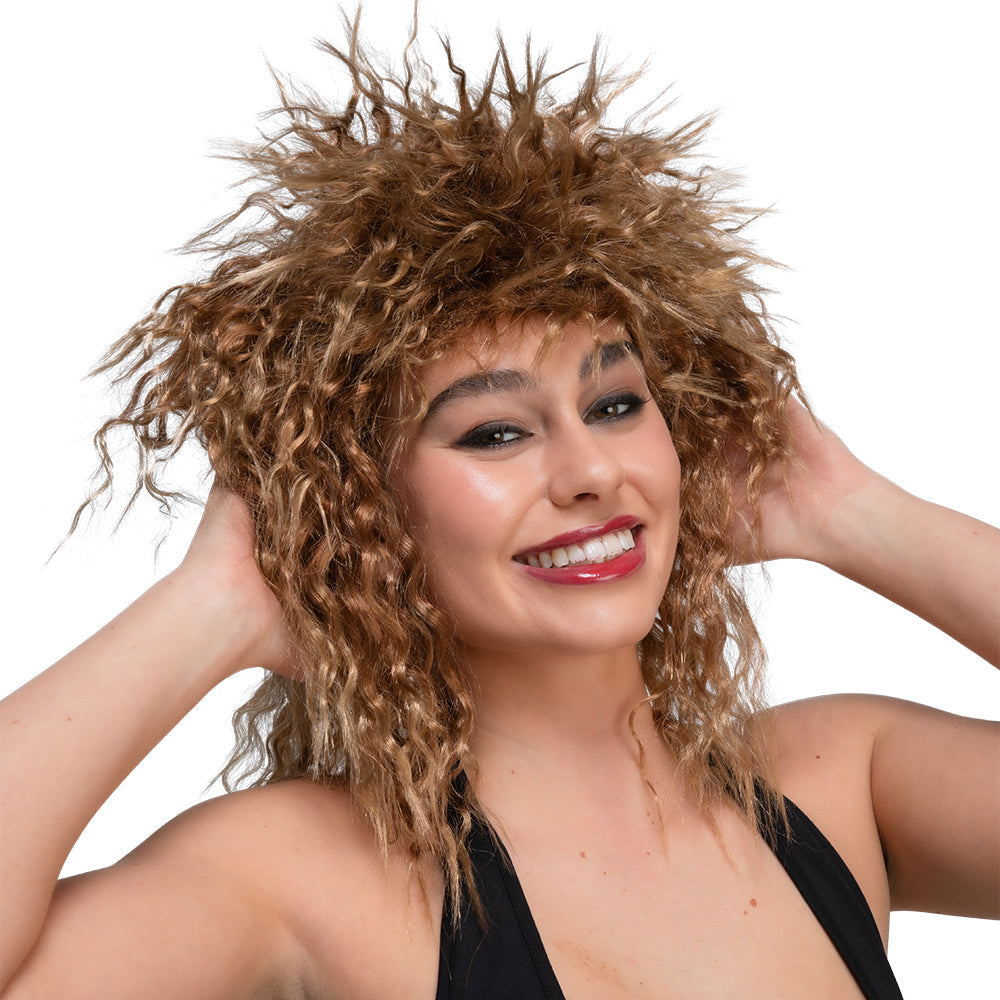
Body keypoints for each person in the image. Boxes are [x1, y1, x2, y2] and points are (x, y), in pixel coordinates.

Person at [1, 17, 997, 1000]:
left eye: (615, 406)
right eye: (494, 433)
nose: (590, 470)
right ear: (366, 507)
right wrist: (210, 609)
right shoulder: (304, 879)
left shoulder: (832, 787)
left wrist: (850, 513)